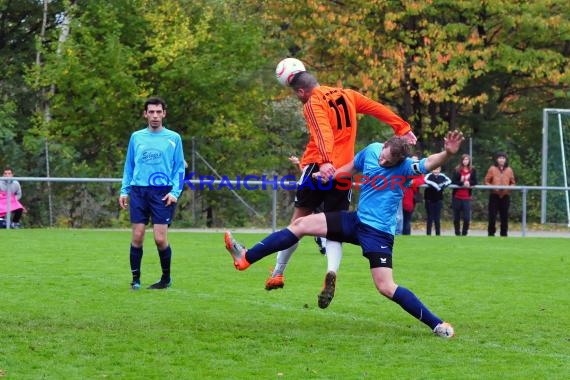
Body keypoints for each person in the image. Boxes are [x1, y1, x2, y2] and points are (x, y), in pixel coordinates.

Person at [224, 130, 465, 338]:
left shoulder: (405, 167)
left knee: (385, 286)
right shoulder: (372, 150)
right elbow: (349, 169)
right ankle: (245, 258)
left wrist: (448, 154)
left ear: (398, 161)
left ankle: (437, 324)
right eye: (382, 155)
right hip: (355, 220)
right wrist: (326, 175)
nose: (382, 161)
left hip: (378, 234)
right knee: (300, 225)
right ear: (382, 146)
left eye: (387, 161)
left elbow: (429, 162)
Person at [266, 65, 417, 310]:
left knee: (297, 224)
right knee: (334, 228)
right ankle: (331, 270)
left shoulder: (312, 103)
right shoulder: (347, 94)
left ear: (301, 91)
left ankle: (278, 271)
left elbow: (324, 133)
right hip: (344, 171)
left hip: (320, 168)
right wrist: (402, 127)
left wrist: (324, 160)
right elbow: (376, 108)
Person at [119, 97, 186, 290]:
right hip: (139, 191)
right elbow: (129, 166)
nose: (155, 116)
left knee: (160, 238)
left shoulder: (173, 138)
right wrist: (125, 190)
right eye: (151, 112)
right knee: (138, 235)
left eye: (158, 112)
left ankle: (166, 279)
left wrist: (175, 191)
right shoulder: (136, 137)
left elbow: (179, 168)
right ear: (145, 114)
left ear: (164, 113)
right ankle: (136, 280)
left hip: (162, 192)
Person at [289, 154, 326, 254]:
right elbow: (304, 173)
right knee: (295, 223)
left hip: (322, 188)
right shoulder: (310, 154)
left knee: (324, 218)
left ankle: (322, 241)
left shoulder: (326, 151)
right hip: (310, 188)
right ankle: (320, 239)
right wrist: (297, 164)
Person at [484, 152, 516, 236]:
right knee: (492, 216)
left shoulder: (509, 170)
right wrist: (493, 187)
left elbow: (513, 182)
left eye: (503, 158)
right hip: (494, 195)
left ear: (505, 160)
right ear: (497, 159)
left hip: (505, 196)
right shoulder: (492, 169)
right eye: (500, 158)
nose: (501, 160)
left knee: (504, 216)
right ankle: (491, 233)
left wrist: (509, 188)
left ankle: (504, 234)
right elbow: (486, 181)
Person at [451, 154, 477, 236]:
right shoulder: (457, 170)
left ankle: (464, 233)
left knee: (466, 218)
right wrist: (462, 183)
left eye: (467, 159)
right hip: (457, 196)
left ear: (469, 161)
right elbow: (454, 181)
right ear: (461, 160)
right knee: (456, 218)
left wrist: (469, 183)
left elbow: (475, 181)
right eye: (464, 159)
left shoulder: (472, 170)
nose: (465, 161)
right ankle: (457, 233)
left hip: (466, 197)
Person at [423, 167, 452, 236]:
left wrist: (441, 185)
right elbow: (425, 180)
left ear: (440, 170)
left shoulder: (442, 176)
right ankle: (428, 234)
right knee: (430, 217)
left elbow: (449, 181)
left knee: (437, 218)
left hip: (438, 199)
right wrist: (436, 186)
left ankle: (438, 234)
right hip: (429, 199)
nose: (435, 171)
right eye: (434, 169)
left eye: (437, 169)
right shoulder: (428, 176)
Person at [401, 154, 424, 235]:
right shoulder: (404, 168)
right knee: (399, 218)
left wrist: (413, 182)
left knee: (407, 219)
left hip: (410, 198)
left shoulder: (418, 171)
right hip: (401, 196)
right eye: (412, 159)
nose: (414, 161)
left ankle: (406, 235)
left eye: (416, 160)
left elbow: (421, 180)